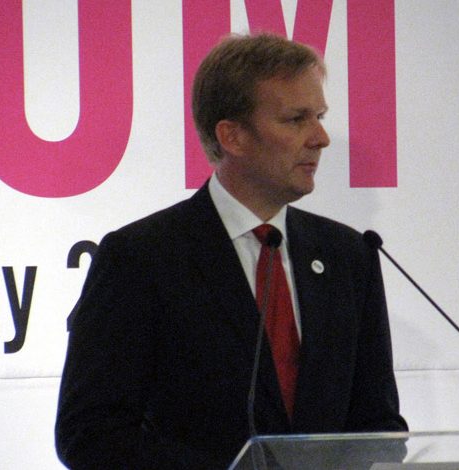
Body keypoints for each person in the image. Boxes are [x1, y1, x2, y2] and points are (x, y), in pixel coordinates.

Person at [55, 33, 407, 469]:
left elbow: (378, 423)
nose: (320, 138)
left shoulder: (348, 255)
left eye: (319, 116)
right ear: (233, 136)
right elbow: (90, 433)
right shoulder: (142, 258)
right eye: (296, 119)